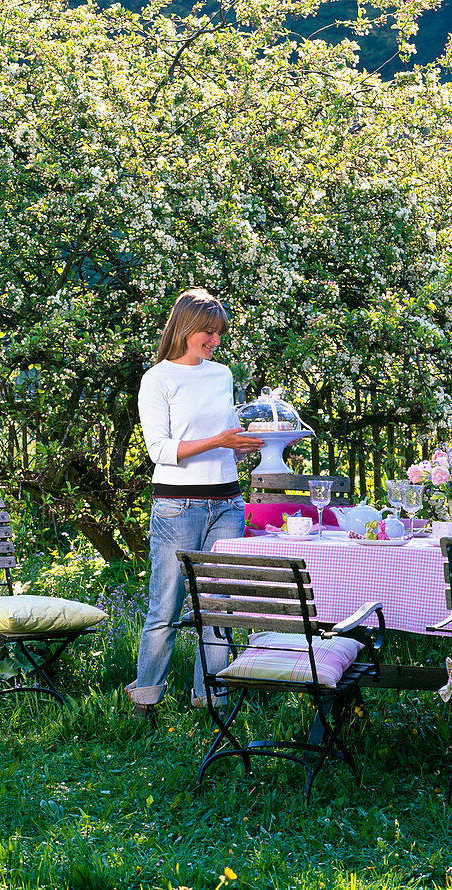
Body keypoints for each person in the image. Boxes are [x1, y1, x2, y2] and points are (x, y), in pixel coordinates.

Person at [126, 287, 262, 721]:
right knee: (166, 606)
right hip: (177, 505)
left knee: (217, 606)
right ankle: (145, 699)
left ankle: (212, 700)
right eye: (208, 331)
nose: (215, 340)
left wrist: (243, 445)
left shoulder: (221, 375)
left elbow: (225, 438)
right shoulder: (158, 379)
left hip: (227, 502)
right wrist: (219, 441)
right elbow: (160, 450)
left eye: (218, 333)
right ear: (185, 328)